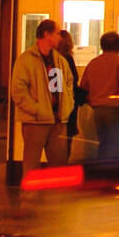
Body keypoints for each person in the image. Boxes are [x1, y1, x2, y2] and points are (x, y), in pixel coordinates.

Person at [11, 20, 74, 177]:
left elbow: (61, 88)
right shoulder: (26, 60)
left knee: (58, 165)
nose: (60, 37)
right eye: (57, 33)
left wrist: (65, 107)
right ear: (46, 34)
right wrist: (38, 110)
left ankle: (56, 200)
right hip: (35, 122)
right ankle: (30, 200)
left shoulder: (57, 60)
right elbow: (19, 91)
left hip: (57, 121)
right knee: (32, 164)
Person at [79, 31, 119, 156]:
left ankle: (102, 168)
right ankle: (112, 172)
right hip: (116, 110)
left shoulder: (93, 63)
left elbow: (83, 88)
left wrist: (93, 101)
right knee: (116, 144)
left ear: (102, 46)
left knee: (103, 143)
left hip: (97, 111)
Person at [56, 30, 84, 158]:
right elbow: (72, 83)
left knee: (59, 144)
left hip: (60, 107)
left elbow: (56, 86)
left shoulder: (55, 60)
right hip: (67, 108)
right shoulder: (67, 59)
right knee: (65, 145)